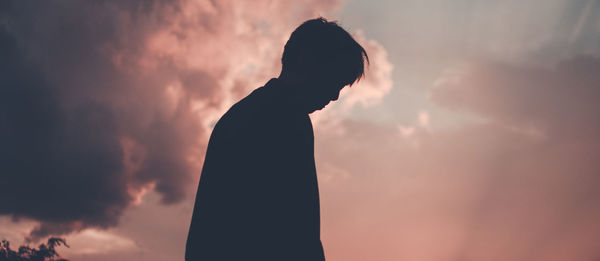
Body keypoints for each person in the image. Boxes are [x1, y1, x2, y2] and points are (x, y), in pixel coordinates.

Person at [185, 17, 368, 261]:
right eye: (334, 80)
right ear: (309, 61)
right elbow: (292, 228)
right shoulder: (277, 119)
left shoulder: (264, 115)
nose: (334, 96)